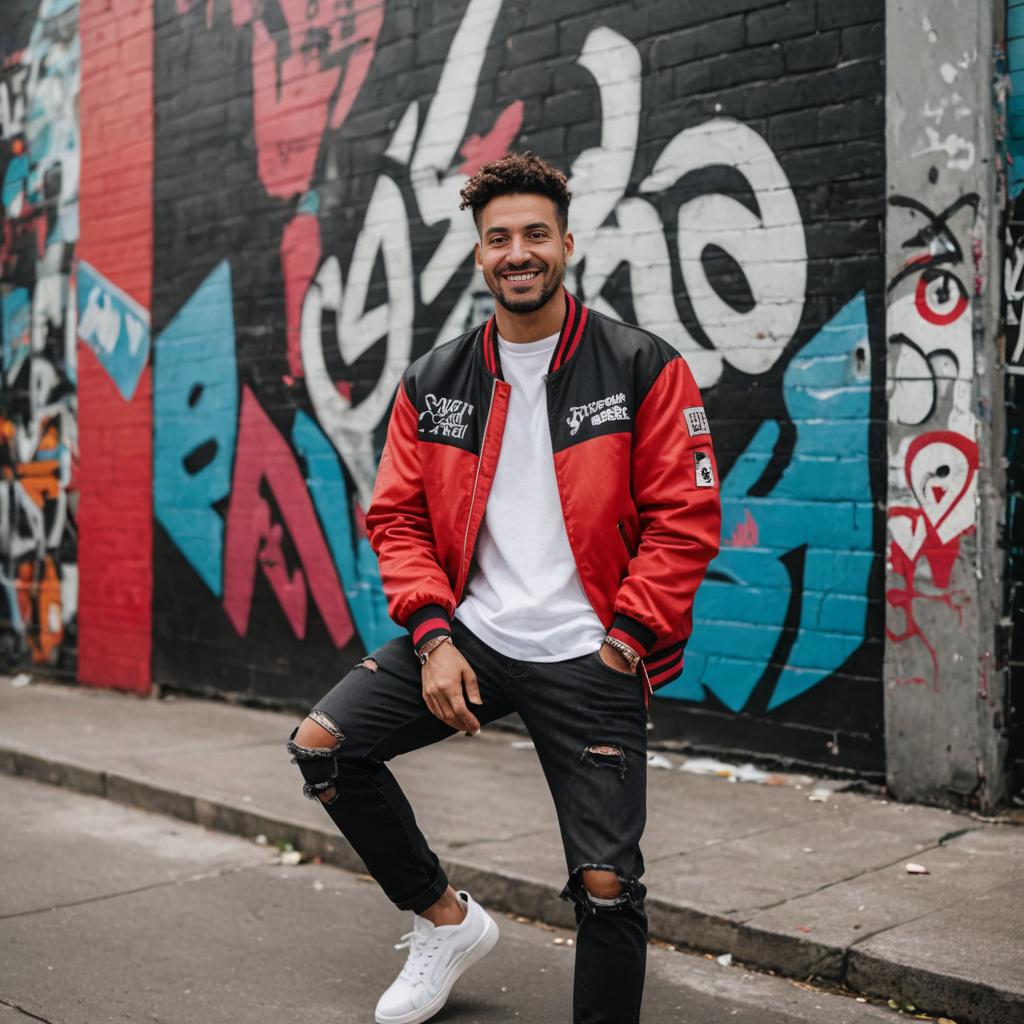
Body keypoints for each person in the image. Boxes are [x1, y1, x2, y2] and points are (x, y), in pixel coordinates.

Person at [287, 152, 721, 1024]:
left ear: (566, 242)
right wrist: (435, 638)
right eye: (497, 239)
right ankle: (445, 922)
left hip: (594, 649)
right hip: (472, 636)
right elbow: (398, 520)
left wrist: (626, 642)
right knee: (325, 748)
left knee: (606, 887)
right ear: (478, 256)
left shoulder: (641, 366)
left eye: (533, 234)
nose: (516, 252)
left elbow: (685, 519)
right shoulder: (435, 381)